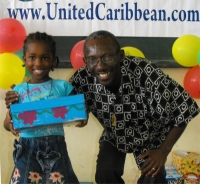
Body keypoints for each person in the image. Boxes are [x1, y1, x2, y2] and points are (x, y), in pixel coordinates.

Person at [5, 30, 200, 184]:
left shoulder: (145, 73)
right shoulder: (82, 78)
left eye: (107, 57)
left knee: (153, 175)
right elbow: (68, 107)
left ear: (120, 56)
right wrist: (16, 107)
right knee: (105, 174)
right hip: (115, 134)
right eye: (92, 59)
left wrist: (163, 151)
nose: (100, 66)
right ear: (85, 61)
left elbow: (184, 109)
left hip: (150, 135)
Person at [3, 32, 79, 184]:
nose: (38, 63)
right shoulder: (18, 91)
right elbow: (8, 123)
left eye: (44, 58)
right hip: (27, 149)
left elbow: (78, 111)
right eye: (32, 57)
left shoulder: (63, 87)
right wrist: (9, 122)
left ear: (53, 60)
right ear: (24, 60)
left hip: (56, 148)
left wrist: (82, 118)